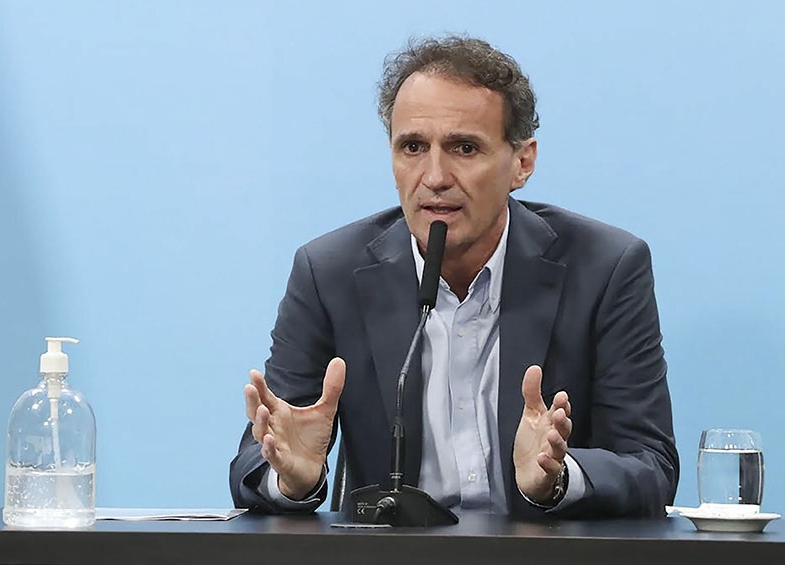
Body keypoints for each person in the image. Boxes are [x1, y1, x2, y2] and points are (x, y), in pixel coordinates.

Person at [229, 35, 678, 519]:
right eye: (413, 147)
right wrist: (292, 478)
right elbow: (258, 460)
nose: (435, 177)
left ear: (522, 162)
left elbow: (650, 464)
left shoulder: (606, 268)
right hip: (395, 553)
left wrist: (560, 476)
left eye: (464, 148)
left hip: (544, 550)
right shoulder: (329, 273)